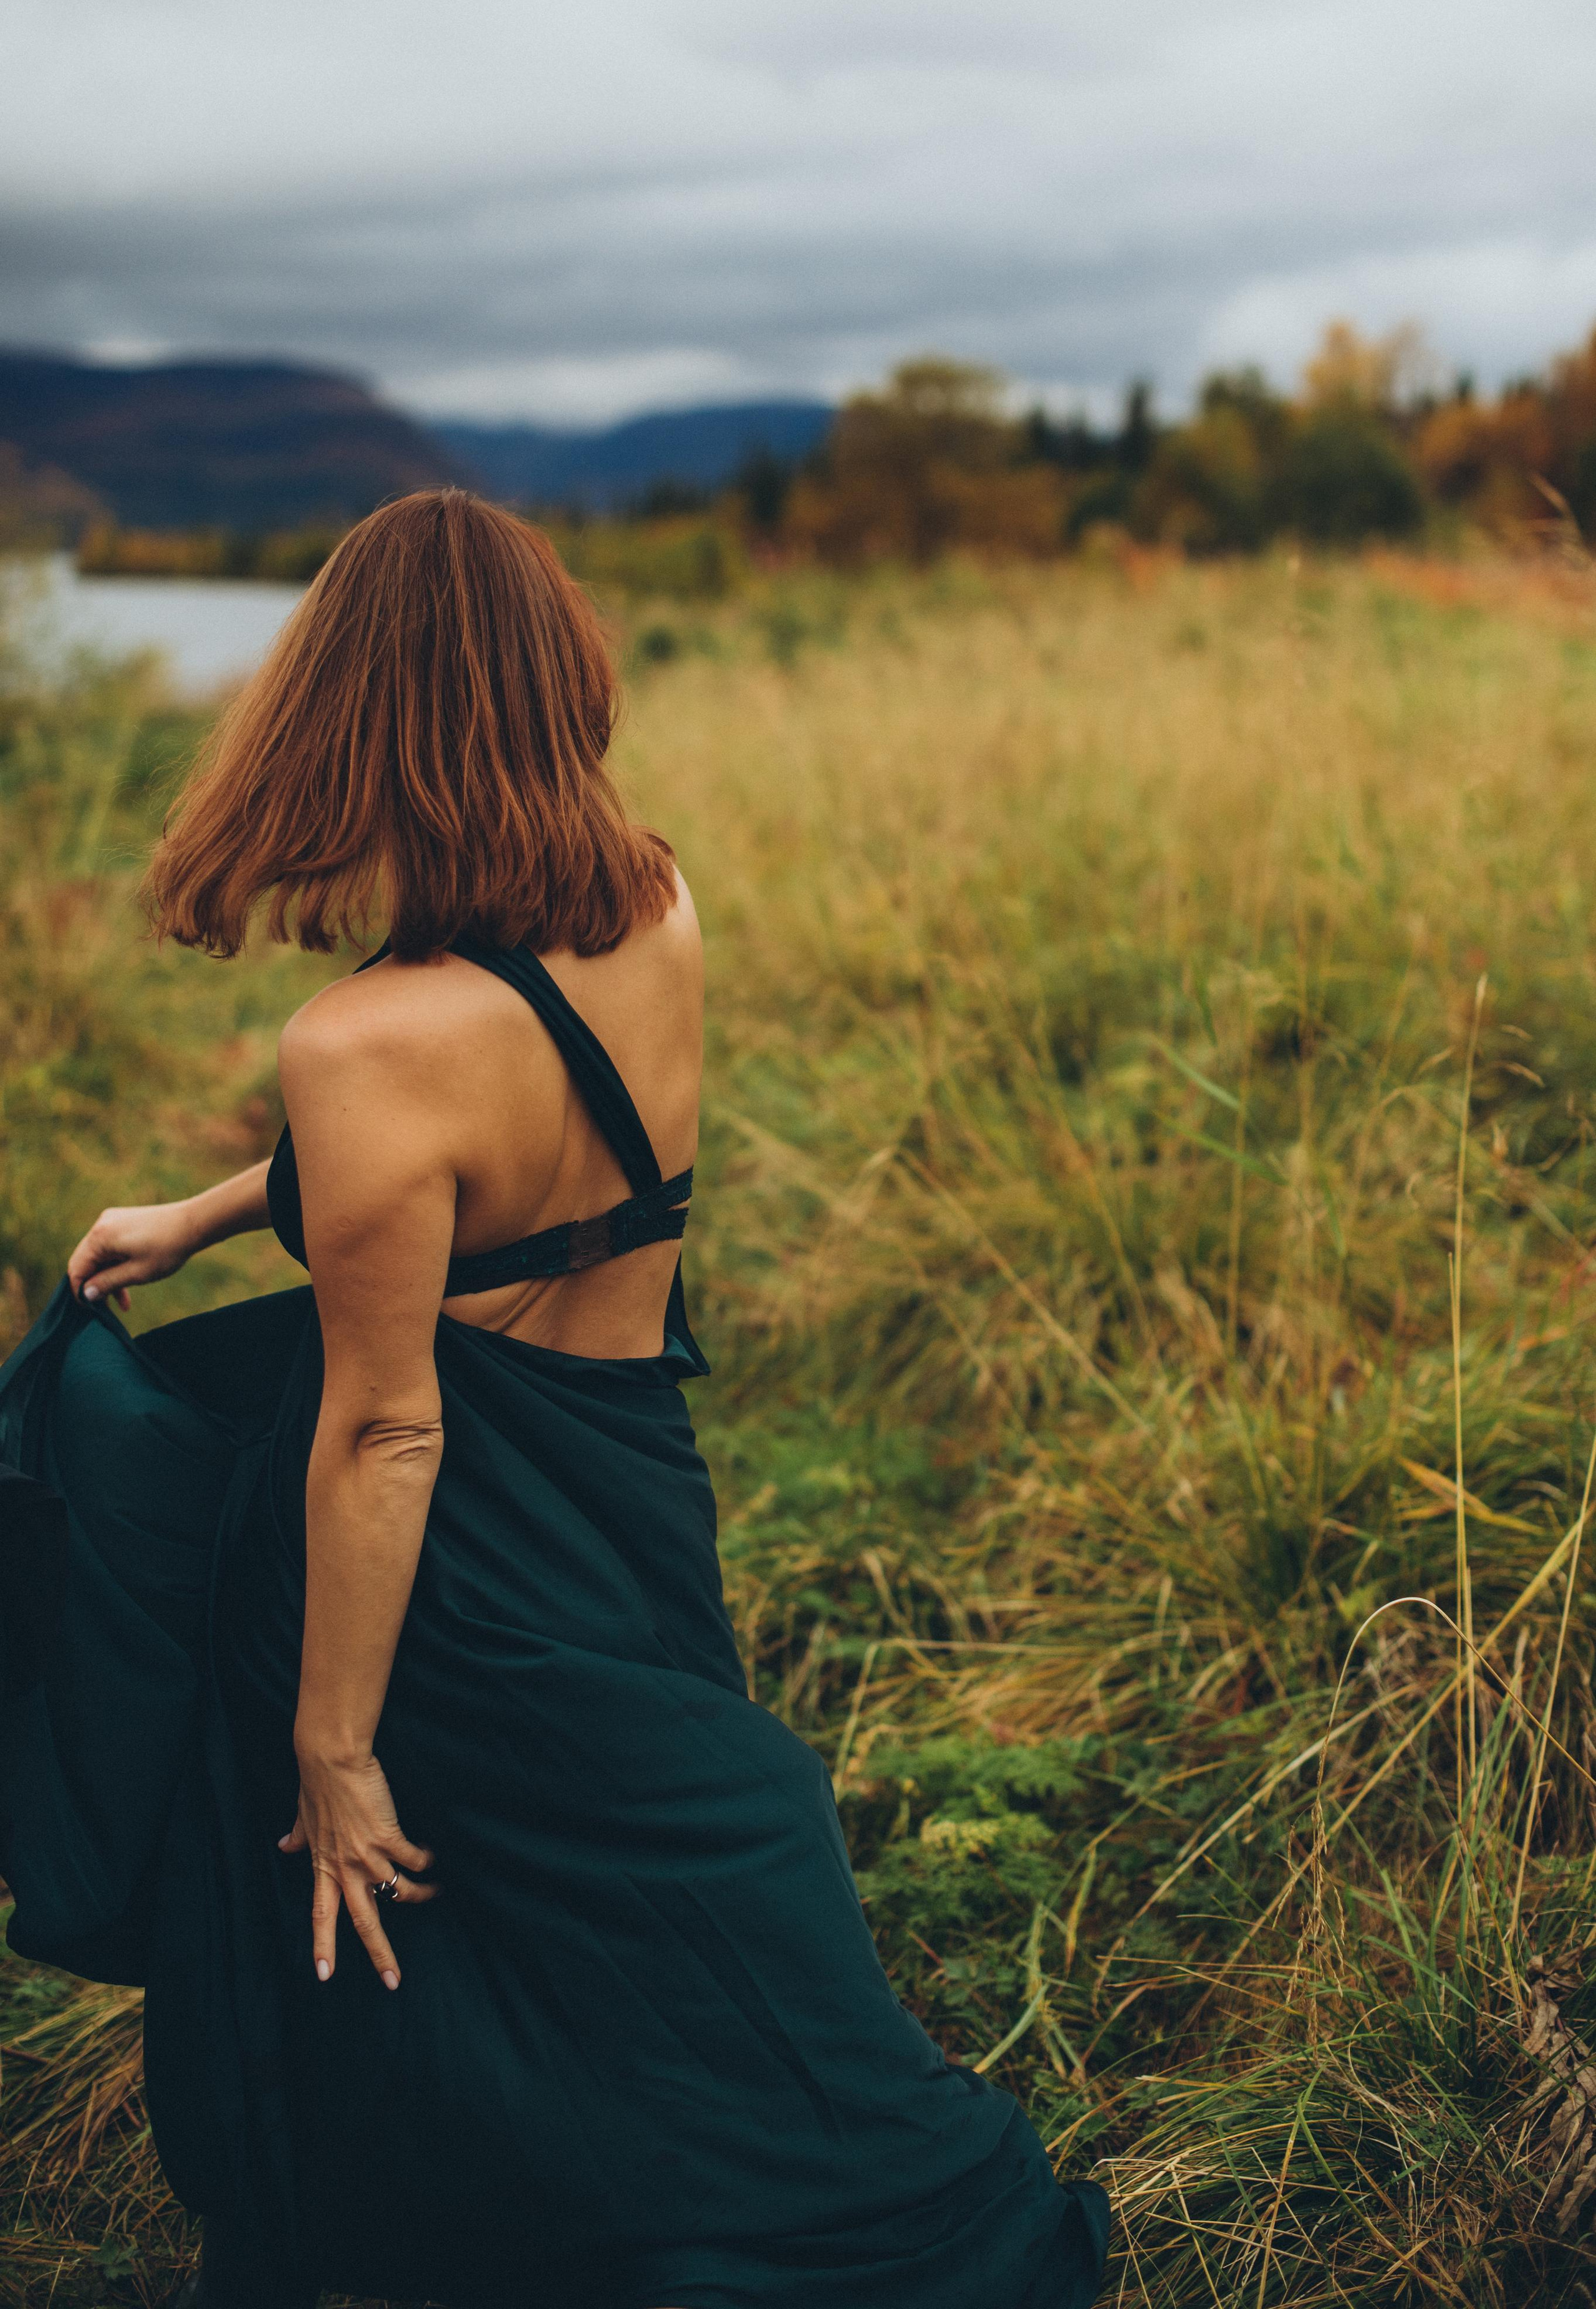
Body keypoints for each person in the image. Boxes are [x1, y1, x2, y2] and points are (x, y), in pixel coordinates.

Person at [0, 491, 1109, 2308]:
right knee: (624, 1920)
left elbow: (387, 1426)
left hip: (446, 1573)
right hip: (629, 1476)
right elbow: (517, 1153)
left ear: (341, 715)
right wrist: (206, 1215)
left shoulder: (362, 1044)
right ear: (551, 685)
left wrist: (330, 1741)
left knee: (400, 1916)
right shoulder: (659, 901)